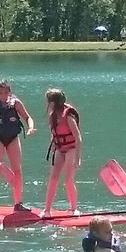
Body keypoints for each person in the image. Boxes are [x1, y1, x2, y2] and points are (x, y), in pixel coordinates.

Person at [0, 79, 36, 215]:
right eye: (0, 93)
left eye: (6, 92)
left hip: (13, 138)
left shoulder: (16, 103)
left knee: (18, 171)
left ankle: (18, 204)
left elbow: (28, 117)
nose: (3, 95)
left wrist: (31, 127)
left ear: (10, 92)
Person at [41, 88, 82, 218]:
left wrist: (77, 158)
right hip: (60, 148)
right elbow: (54, 133)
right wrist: (53, 144)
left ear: (54, 102)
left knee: (68, 179)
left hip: (71, 149)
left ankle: (74, 209)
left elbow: (78, 138)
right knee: (53, 178)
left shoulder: (68, 116)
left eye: (49, 101)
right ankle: (47, 210)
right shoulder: (52, 116)